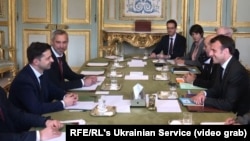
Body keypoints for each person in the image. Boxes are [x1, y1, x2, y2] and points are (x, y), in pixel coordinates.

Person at [8, 42, 78, 115]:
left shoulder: (42, 71)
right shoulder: (23, 81)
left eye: (51, 56)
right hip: (26, 124)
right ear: (36, 62)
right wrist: (64, 103)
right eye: (48, 58)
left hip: (39, 117)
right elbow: (36, 108)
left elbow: (52, 89)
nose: (52, 60)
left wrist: (65, 95)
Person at [191, 35, 250, 116]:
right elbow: (216, 89)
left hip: (236, 116)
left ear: (225, 51)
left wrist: (204, 100)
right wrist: (203, 93)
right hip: (224, 110)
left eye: (214, 50)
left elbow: (228, 104)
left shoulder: (236, 71)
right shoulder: (220, 65)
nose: (210, 54)